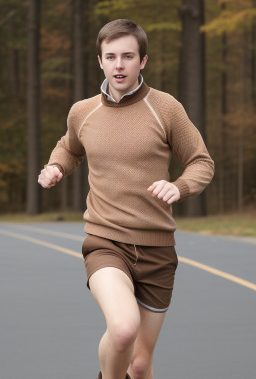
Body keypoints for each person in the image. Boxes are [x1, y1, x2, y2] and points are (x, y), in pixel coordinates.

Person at [38, 19, 214, 379]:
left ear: (143, 61)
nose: (119, 65)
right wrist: (56, 166)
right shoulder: (83, 112)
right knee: (122, 329)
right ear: (100, 61)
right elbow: (68, 148)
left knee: (139, 363)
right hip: (106, 241)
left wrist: (179, 187)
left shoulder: (165, 108)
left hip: (157, 249)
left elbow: (201, 162)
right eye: (111, 56)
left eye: (128, 56)